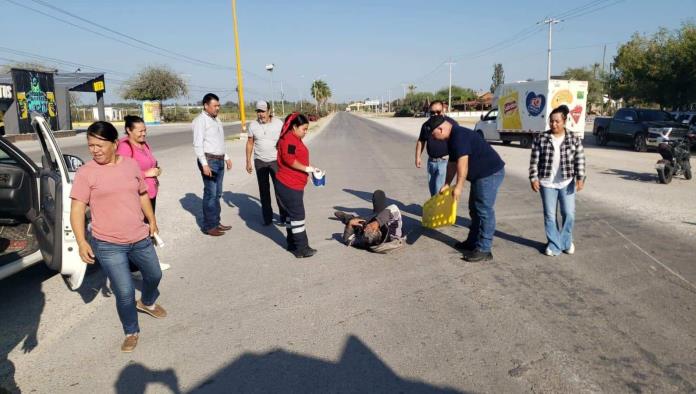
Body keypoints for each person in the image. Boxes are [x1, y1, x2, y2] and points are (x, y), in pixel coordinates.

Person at [70, 121, 166, 353]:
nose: (95, 150)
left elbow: (143, 194)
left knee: (154, 275)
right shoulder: (86, 173)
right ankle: (131, 330)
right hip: (108, 244)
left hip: (139, 237)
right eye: (90, 145)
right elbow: (76, 210)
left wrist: (151, 220)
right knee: (124, 292)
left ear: (115, 143)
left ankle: (146, 302)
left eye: (99, 144)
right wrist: (82, 241)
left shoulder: (131, 166)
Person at [428, 115, 506, 262]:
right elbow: (452, 162)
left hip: (489, 173)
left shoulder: (459, 135)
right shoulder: (451, 138)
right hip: (480, 176)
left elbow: (462, 163)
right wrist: (446, 183)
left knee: (483, 211)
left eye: (434, 135)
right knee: (474, 209)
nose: (434, 138)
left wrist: (458, 187)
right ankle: (472, 242)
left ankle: (484, 249)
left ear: (441, 128)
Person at [529, 105, 586, 256]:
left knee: (568, 213)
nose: (553, 124)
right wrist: (533, 178)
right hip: (547, 183)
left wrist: (580, 177)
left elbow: (579, 159)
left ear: (564, 121)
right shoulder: (541, 138)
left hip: (566, 182)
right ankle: (554, 245)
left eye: (557, 121)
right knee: (549, 215)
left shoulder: (573, 138)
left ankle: (566, 242)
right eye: (551, 121)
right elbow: (534, 161)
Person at [116, 115, 170, 271]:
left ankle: (146, 263)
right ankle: (141, 266)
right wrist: (146, 174)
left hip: (150, 192)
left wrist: (157, 170)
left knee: (148, 227)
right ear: (128, 130)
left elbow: (152, 162)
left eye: (144, 130)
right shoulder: (125, 147)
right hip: (136, 195)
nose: (143, 134)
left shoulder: (144, 144)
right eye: (139, 131)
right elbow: (123, 171)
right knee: (141, 231)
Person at [275, 112, 322, 258]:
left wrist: (312, 168)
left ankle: (292, 244)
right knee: (298, 215)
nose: (306, 132)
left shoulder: (294, 138)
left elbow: (298, 158)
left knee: (291, 216)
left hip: (292, 183)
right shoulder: (289, 139)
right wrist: (307, 169)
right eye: (304, 129)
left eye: (307, 129)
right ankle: (302, 247)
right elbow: (289, 159)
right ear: (294, 127)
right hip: (289, 184)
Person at [193, 93, 233, 236]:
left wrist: (226, 157)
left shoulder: (216, 120)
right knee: (210, 194)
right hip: (209, 161)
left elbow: (219, 141)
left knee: (217, 194)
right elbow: (198, 145)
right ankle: (209, 226)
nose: (218, 108)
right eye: (215, 106)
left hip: (219, 159)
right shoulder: (200, 121)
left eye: (218, 105)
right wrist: (204, 164)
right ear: (206, 105)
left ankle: (216, 222)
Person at [245, 100, 286, 225]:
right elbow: (250, 143)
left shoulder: (279, 123)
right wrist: (248, 161)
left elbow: (285, 140)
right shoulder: (253, 125)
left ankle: (284, 217)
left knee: (280, 190)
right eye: (258, 111)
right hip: (260, 161)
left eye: (263, 111)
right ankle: (267, 219)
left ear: (269, 111)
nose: (260, 114)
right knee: (264, 191)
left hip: (276, 161)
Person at [334, 190, 406, 253]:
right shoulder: (393, 233)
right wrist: (377, 222)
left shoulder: (365, 241)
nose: (365, 229)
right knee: (379, 194)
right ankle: (350, 218)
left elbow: (347, 240)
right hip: (382, 216)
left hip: (365, 220)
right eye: (368, 228)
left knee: (357, 222)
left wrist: (350, 224)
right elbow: (394, 208)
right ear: (376, 229)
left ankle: (346, 218)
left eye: (365, 231)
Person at [415, 101, 457, 196]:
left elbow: (458, 142)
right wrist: (418, 157)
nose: (435, 114)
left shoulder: (451, 124)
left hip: (444, 162)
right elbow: (421, 141)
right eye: (432, 112)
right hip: (431, 162)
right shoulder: (426, 125)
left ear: (443, 111)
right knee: (432, 189)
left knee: (439, 191)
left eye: (438, 112)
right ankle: (435, 209)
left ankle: (438, 210)